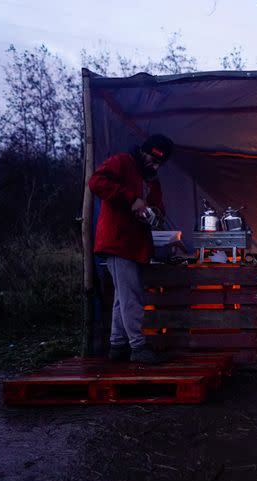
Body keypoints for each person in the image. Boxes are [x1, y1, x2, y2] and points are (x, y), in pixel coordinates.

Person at [89, 134, 174, 364]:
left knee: (123, 296)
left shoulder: (151, 178)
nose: (155, 166)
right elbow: (96, 181)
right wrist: (130, 198)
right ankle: (138, 346)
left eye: (159, 164)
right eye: (153, 160)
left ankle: (117, 345)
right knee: (132, 296)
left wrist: (156, 213)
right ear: (144, 151)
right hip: (118, 241)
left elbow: (158, 204)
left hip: (136, 245)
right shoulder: (121, 163)